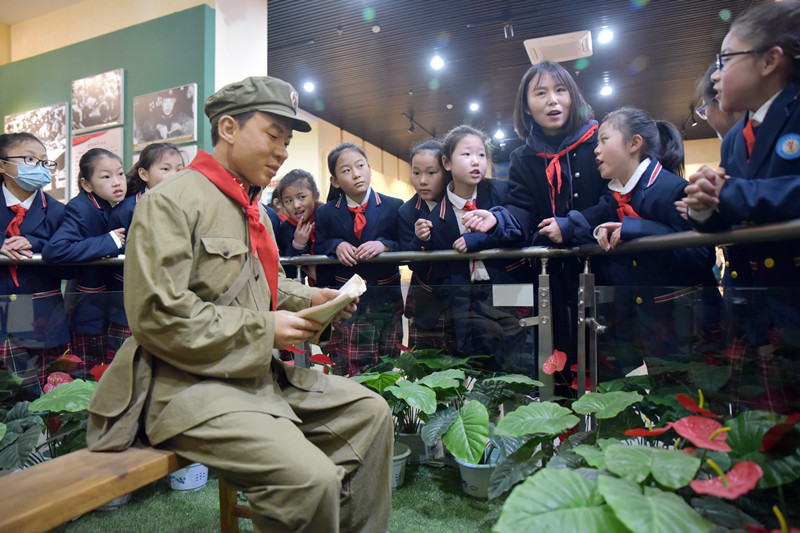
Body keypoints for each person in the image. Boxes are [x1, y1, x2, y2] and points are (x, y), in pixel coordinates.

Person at [86, 76, 392, 533]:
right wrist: (265, 330)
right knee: (307, 479)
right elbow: (157, 316)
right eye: (273, 135)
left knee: (372, 415)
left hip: (256, 377)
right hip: (187, 386)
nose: (283, 151)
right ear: (228, 128)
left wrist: (315, 298)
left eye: (287, 142)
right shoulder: (171, 201)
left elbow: (262, 284)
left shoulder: (254, 210)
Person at [684, 0, 800, 412]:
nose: (716, 74)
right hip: (751, 310)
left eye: (727, 59)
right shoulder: (735, 138)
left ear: (770, 61)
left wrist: (728, 194)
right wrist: (703, 207)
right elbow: (725, 215)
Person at [463, 61, 608, 373]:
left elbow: (615, 199)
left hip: (603, 268)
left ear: (573, 96)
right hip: (551, 280)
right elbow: (522, 208)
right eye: (540, 93)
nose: (552, 100)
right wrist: (496, 219)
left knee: (604, 362)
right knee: (556, 362)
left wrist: (572, 225)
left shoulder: (600, 141)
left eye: (560, 90)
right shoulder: (523, 157)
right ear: (526, 107)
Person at [560, 108, 718, 359]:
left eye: (604, 140)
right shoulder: (615, 198)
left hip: (686, 324)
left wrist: (635, 229)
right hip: (641, 325)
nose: (596, 150)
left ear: (634, 143)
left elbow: (701, 255)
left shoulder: (673, 188)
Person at [417, 126, 529, 371]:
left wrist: (479, 239)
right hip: (467, 301)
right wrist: (423, 240)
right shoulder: (436, 217)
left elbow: (521, 228)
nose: (476, 162)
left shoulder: (502, 191)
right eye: (467, 155)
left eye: (481, 155)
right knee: (479, 362)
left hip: (511, 288)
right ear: (446, 162)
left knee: (520, 355)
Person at [315, 142, 404, 375]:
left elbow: (406, 244)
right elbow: (319, 245)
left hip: (386, 299)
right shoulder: (325, 212)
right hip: (347, 302)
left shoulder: (394, 207)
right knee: (350, 367)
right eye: (346, 170)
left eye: (360, 166)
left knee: (388, 364)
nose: (356, 174)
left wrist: (384, 244)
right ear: (334, 180)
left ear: (369, 168)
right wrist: (336, 245)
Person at [43, 148, 127, 369]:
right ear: (87, 184)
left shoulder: (120, 204)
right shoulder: (80, 208)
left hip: (112, 305)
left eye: (120, 174)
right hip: (88, 306)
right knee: (86, 369)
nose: (117, 182)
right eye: (106, 176)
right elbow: (56, 250)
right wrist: (108, 242)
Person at [0, 132, 68, 395]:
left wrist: (37, 243)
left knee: (42, 397)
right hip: (4, 309)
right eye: (29, 159)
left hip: (42, 315)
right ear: (3, 165)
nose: (39, 166)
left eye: (44, 161)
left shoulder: (59, 211)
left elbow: (71, 255)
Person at [105, 143, 185, 358]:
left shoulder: (186, 205)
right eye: (165, 169)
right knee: (127, 361)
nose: (174, 175)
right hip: (130, 300)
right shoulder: (128, 208)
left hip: (172, 300)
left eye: (180, 169)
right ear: (143, 173)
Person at [398, 140, 455, 353]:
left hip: (462, 298)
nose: (422, 181)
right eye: (416, 173)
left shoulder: (459, 203)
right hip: (425, 301)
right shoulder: (406, 212)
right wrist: (419, 240)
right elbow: (409, 261)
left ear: (447, 170)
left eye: (431, 173)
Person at [275, 168, 322, 284]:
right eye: (288, 201)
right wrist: (297, 245)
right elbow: (285, 272)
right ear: (282, 205)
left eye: (301, 197)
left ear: (316, 196)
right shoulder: (283, 230)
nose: (296, 205)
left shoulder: (328, 217)